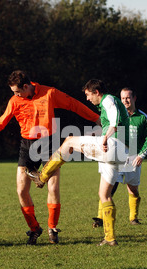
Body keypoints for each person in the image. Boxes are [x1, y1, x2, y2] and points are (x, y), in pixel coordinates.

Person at [0, 70, 100, 245]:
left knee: (53, 187)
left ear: (26, 86)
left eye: (17, 91)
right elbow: (2, 121)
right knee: (21, 190)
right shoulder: (14, 101)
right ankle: (34, 229)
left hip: (50, 143)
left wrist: (96, 118)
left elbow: (73, 104)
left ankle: (52, 228)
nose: (15, 95)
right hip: (27, 145)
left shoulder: (50, 93)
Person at [28, 79, 130, 246]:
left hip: (113, 145)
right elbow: (110, 124)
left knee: (68, 141)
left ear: (97, 92)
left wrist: (104, 137)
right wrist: (96, 134)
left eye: (89, 95)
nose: (87, 99)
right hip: (120, 150)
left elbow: (115, 123)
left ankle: (42, 176)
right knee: (104, 195)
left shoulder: (108, 100)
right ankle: (110, 238)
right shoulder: (109, 103)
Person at [92, 87, 147, 227]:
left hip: (133, 158)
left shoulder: (142, 117)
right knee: (109, 186)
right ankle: (100, 218)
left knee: (133, 189)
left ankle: (133, 217)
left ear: (134, 98)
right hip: (117, 155)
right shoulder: (117, 115)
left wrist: (141, 155)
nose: (125, 100)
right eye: (123, 98)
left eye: (128, 97)